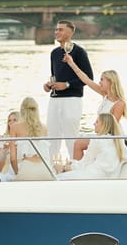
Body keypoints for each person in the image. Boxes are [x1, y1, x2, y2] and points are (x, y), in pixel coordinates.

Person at [61, 57, 127, 159]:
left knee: (78, 144)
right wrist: (71, 63)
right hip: (102, 134)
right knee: (77, 140)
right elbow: (85, 79)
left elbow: (111, 128)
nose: (99, 82)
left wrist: (96, 135)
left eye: (102, 80)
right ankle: (76, 168)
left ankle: (76, 169)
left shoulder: (119, 103)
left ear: (111, 82)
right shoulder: (104, 95)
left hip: (111, 138)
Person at [43, 20, 93, 160]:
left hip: (72, 100)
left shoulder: (79, 52)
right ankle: (52, 167)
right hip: (54, 100)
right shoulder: (54, 53)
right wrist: (48, 85)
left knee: (71, 137)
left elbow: (89, 78)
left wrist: (67, 85)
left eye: (61, 30)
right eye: (56, 29)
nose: (57, 32)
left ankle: (75, 166)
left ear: (71, 32)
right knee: (52, 137)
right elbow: (54, 76)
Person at [57, 113, 127, 180]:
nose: (94, 124)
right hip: (108, 178)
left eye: (97, 122)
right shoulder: (118, 142)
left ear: (104, 125)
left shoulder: (98, 140)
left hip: (91, 175)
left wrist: (67, 167)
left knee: (58, 177)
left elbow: (85, 163)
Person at [9, 97, 53, 181]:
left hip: (27, 169)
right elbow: (47, 155)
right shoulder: (44, 128)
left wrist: (17, 173)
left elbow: (13, 158)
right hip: (45, 169)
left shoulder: (14, 127)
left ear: (22, 110)